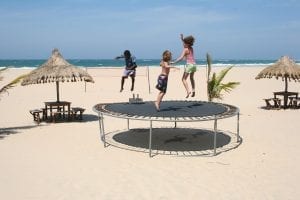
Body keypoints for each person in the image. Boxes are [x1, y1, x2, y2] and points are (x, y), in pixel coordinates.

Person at [172, 34, 197, 98]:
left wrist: (174, 62)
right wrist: (182, 39)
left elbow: (181, 58)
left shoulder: (185, 49)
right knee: (191, 78)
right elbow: (186, 43)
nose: (183, 44)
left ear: (187, 44)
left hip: (189, 65)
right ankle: (193, 90)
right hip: (194, 65)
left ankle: (188, 91)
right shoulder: (191, 48)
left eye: (184, 43)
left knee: (183, 79)